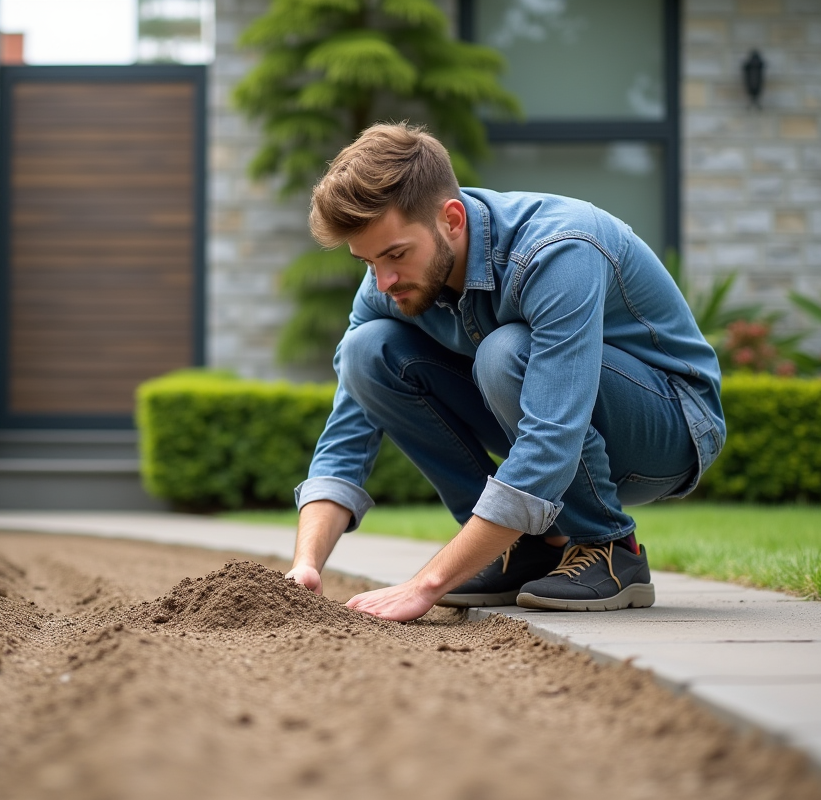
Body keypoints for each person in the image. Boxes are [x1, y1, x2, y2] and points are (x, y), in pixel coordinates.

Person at [283, 123, 725, 622]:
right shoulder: (389, 282)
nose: (383, 281)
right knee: (365, 350)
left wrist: (427, 584)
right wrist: (305, 566)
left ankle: (610, 548)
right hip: (556, 417)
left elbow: (551, 437)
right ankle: (524, 547)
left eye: (395, 255)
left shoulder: (557, 249)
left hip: (671, 428)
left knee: (506, 351)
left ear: (450, 219)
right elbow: (349, 426)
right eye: (367, 261)